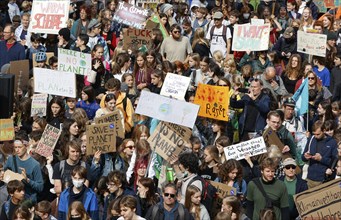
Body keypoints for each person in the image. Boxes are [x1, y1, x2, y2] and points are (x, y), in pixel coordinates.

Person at [4, 132, 44, 203]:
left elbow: (40, 187)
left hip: (27, 201)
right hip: (13, 199)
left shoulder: (35, 164)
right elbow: (4, 172)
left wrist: (27, 180)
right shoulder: (11, 159)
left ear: (26, 146)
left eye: (19, 147)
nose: (17, 150)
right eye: (15, 147)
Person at [302, 120, 338, 188]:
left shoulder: (332, 143)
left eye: (318, 134)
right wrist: (305, 157)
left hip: (323, 180)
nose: (315, 136)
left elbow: (334, 163)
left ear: (324, 131)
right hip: (309, 178)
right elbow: (303, 157)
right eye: (314, 134)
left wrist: (321, 159)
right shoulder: (311, 139)